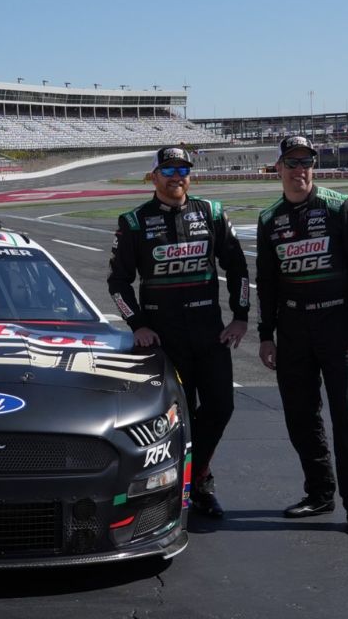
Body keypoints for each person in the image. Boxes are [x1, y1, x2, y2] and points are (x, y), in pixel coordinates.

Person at [107, 146, 250, 518]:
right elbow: (118, 282)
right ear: (153, 177)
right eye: (167, 170)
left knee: (221, 406)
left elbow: (238, 267)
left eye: (182, 169)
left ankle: (197, 474)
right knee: (174, 416)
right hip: (164, 340)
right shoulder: (134, 221)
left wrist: (240, 315)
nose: (176, 177)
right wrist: (138, 324)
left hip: (210, 333)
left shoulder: (212, 213)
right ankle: (176, 486)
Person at [256, 136, 348, 540]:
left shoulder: (340, 205)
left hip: (338, 327)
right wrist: (265, 335)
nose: (299, 170)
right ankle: (320, 492)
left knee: (346, 418)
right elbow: (267, 282)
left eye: (305, 162)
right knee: (301, 417)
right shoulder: (269, 218)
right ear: (278, 168)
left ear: (314, 167)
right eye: (291, 163)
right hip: (292, 332)